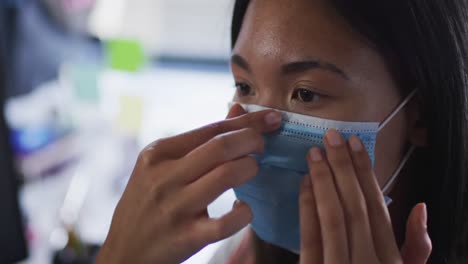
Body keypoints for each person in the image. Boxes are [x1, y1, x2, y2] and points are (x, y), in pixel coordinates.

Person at [96, 0, 468, 263]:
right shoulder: (243, 253)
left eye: (305, 93)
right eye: (244, 87)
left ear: (420, 116)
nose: (257, 135)